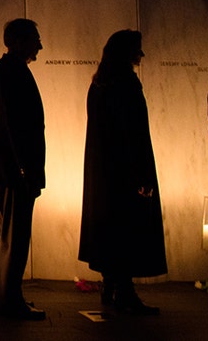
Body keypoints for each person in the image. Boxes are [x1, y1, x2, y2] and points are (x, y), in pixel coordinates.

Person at [79, 29, 166, 314]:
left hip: (103, 172)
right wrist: (141, 176)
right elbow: (135, 133)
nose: (141, 55)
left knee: (109, 228)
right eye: (137, 49)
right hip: (126, 171)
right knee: (128, 228)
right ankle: (124, 292)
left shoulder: (99, 84)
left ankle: (111, 285)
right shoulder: (126, 83)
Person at [0, 18, 46, 320]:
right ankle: (10, 299)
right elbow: (15, 127)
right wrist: (24, 169)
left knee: (1, 237)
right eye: (35, 40)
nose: (40, 46)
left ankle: (4, 296)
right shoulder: (13, 74)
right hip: (12, 170)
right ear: (18, 42)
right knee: (14, 237)